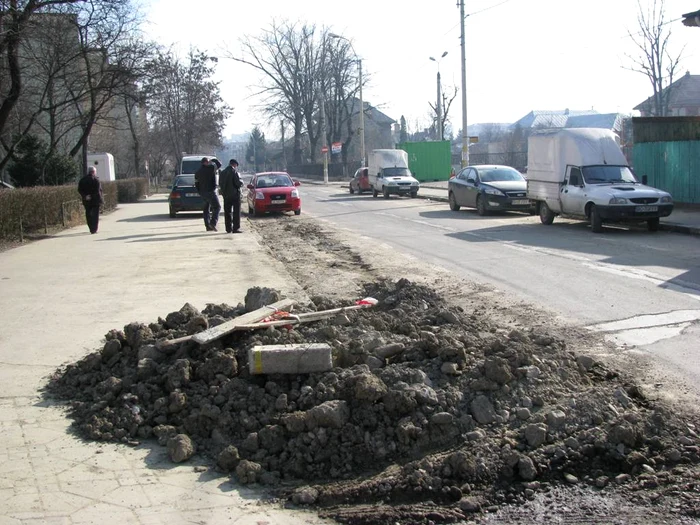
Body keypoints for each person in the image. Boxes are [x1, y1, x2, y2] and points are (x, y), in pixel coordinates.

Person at [194, 157, 221, 231]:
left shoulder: (198, 172)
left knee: (206, 209)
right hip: (211, 191)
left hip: (203, 193)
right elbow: (219, 164)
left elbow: (196, 184)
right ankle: (213, 223)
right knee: (217, 207)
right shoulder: (211, 168)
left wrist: (200, 192)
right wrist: (214, 160)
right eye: (208, 162)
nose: (209, 163)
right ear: (206, 162)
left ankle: (208, 226)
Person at [218, 159, 243, 233]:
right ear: (234, 165)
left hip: (226, 195)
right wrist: (241, 183)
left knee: (227, 212)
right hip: (235, 195)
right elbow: (237, 183)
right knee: (236, 212)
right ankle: (236, 228)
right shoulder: (234, 172)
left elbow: (220, 184)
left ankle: (228, 228)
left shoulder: (222, 173)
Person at [77, 166, 103, 234]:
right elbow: (98, 191)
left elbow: (79, 190)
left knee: (88, 213)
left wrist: (85, 196)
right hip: (95, 200)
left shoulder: (82, 180)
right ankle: (94, 229)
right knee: (95, 215)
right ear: (94, 172)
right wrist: (92, 196)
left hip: (86, 200)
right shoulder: (96, 180)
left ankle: (90, 227)